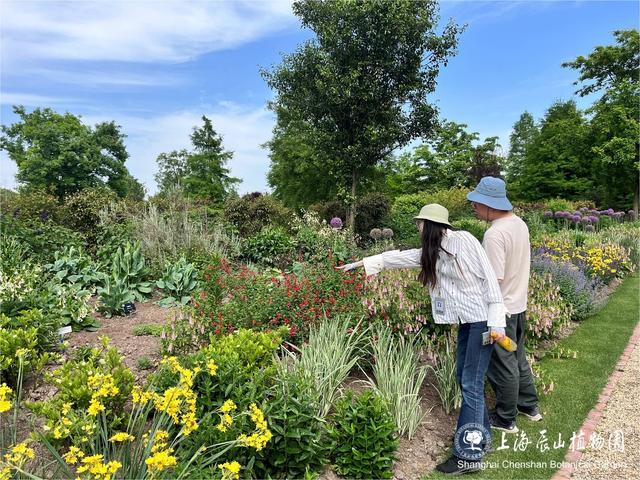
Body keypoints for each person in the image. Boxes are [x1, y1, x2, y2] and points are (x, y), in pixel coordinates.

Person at [339, 203, 506, 475]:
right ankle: (481, 438)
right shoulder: (433, 252)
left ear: (432, 225)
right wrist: (360, 263)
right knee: (463, 379)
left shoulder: (464, 240)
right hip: (468, 322)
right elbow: (399, 257)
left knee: (471, 384)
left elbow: (490, 279)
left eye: (420, 223)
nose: (417, 227)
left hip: (485, 322)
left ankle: (469, 455)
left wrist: (498, 321)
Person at [467, 176, 542, 434]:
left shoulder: (495, 234)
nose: (474, 208)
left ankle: (505, 417)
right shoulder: (519, 224)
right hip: (518, 304)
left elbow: (493, 280)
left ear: (489, 204)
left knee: (502, 363)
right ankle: (528, 405)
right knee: (518, 356)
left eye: (476, 203)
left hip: (503, 310)